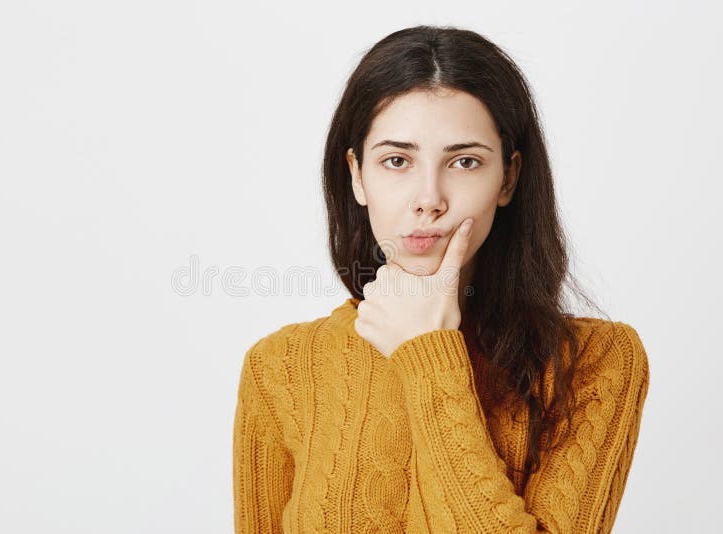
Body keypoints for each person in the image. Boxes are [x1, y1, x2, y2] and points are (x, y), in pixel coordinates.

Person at [233, 25, 649, 533]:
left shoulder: (597, 361)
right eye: (396, 160)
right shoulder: (279, 369)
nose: (429, 197)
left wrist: (429, 354)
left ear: (509, 178)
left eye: (465, 161)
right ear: (357, 175)